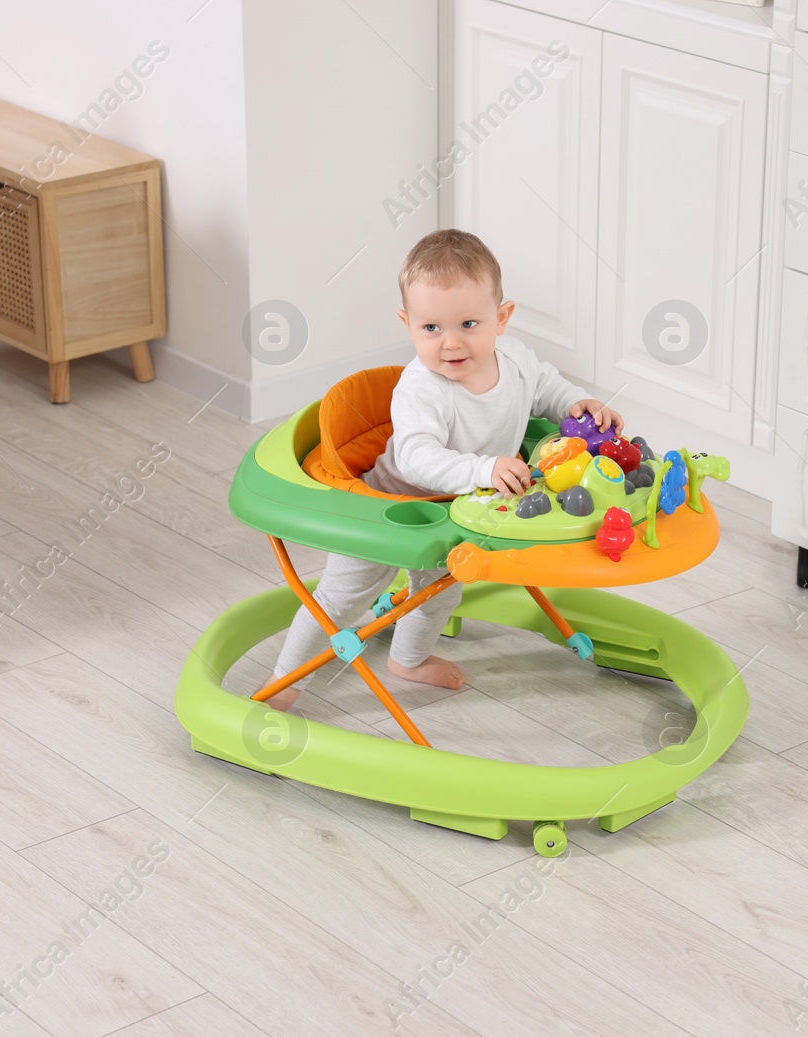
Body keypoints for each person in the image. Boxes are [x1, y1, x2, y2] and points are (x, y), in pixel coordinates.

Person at [258, 229, 623, 710]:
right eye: (430, 328)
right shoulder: (422, 387)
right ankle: (284, 683)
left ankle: (408, 661)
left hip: (454, 511)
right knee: (341, 599)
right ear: (407, 323)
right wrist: (486, 467)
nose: (450, 343)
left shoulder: (515, 361)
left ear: (502, 318)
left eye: (469, 323)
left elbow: (546, 388)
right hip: (386, 512)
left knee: (440, 593)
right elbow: (416, 458)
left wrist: (577, 403)